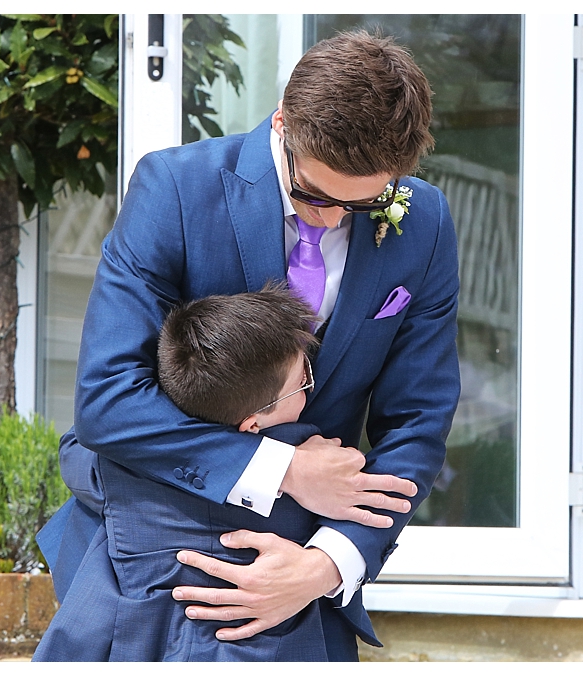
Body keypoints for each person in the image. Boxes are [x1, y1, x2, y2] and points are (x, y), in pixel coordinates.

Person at [38, 29, 461, 662]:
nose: (334, 219)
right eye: (316, 195)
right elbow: (108, 398)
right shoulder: (176, 189)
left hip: (301, 585)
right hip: (146, 564)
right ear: (285, 124)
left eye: (367, 202)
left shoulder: (424, 224)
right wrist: (286, 471)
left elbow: (417, 426)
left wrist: (325, 565)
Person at [36, 287, 382, 660]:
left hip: (132, 644)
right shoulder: (314, 464)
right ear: (251, 424)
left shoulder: (120, 464)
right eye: (302, 382)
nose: (308, 389)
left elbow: (76, 448)